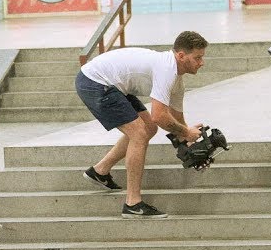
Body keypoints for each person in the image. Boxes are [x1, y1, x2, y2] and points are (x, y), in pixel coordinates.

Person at [75, 31, 207, 218]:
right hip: (95, 81)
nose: (202, 63)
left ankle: (99, 171)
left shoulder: (177, 81)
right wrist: (186, 132)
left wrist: (188, 139)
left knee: (149, 128)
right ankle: (133, 203)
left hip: (112, 84)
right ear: (181, 56)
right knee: (139, 133)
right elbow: (159, 116)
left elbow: (176, 117)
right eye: (198, 58)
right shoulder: (167, 70)